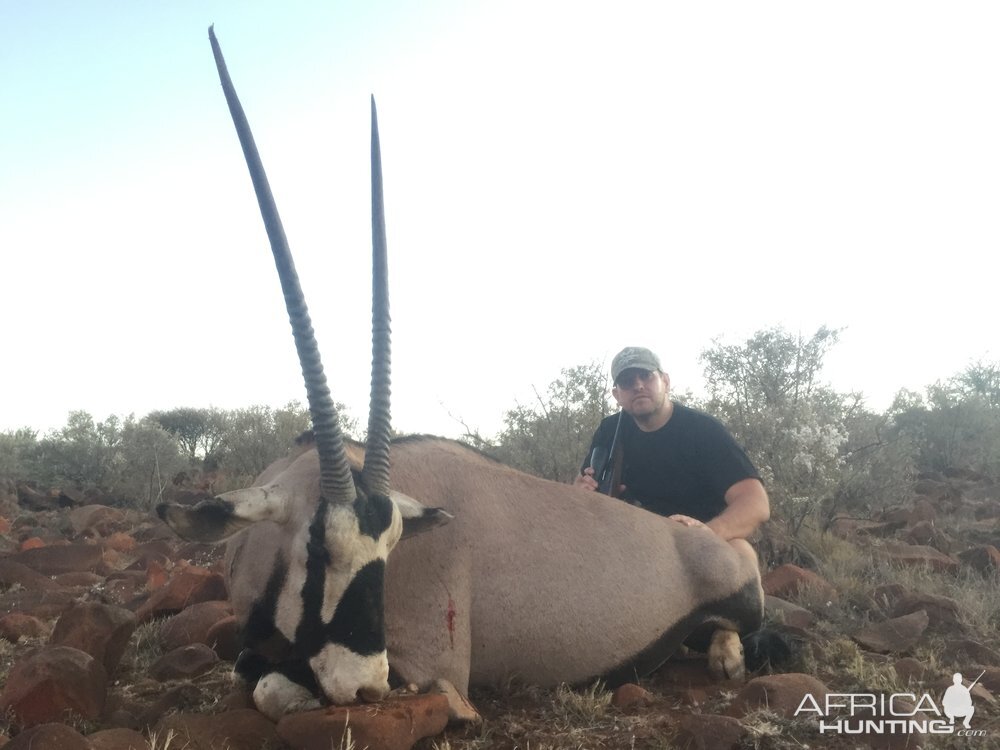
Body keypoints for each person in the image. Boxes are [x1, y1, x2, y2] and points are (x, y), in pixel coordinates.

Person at [574, 346, 770, 541]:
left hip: (696, 542)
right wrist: (582, 491)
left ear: (665, 382)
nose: (638, 386)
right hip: (629, 537)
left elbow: (755, 501)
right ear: (617, 395)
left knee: (742, 553)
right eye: (627, 382)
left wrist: (709, 532)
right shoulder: (608, 430)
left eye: (646, 375)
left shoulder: (704, 430)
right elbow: (582, 483)